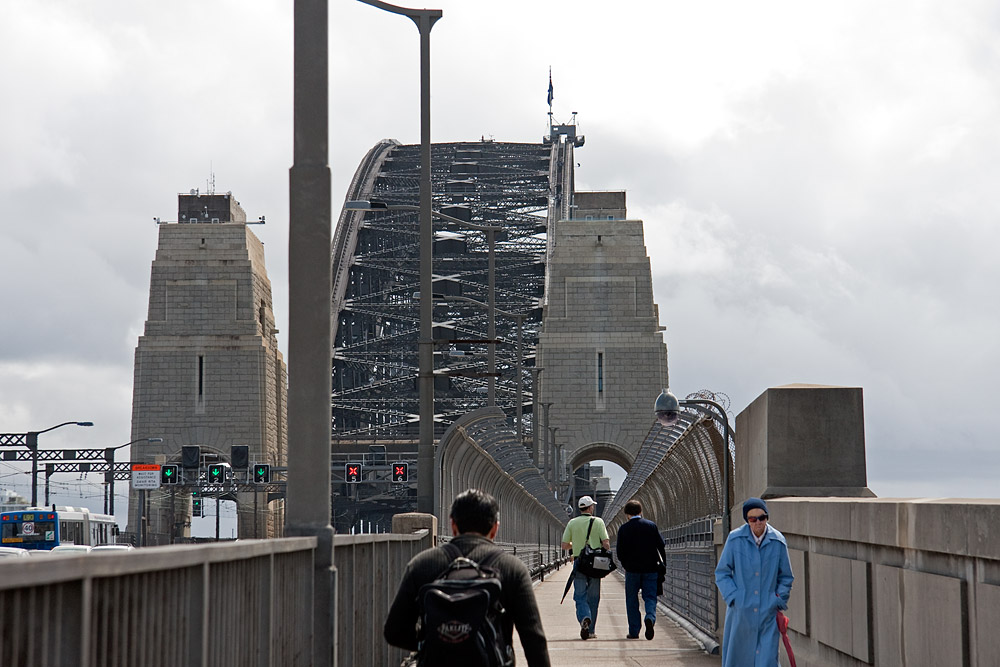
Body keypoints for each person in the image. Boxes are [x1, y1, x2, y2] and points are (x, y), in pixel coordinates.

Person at [384, 488, 550, 666]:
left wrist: (431, 639)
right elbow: (533, 639)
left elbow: (394, 631)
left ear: (453, 525)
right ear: (495, 528)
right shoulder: (512, 568)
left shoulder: (423, 564)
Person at [714, 497, 794, 667]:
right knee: (739, 659)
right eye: (753, 519)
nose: (758, 522)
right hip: (740, 614)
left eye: (762, 518)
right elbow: (722, 573)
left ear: (767, 517)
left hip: (768, 613)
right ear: (747, 520)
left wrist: (778, 599)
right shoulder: (735, 539)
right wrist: (734, 598)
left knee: (767, 660)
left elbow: (786, 576)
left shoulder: (778, 541)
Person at [560, 495, 611, 640]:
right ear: (590, 508)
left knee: (580, 596)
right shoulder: (598, 522)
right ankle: (591, 630)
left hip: (579, 562)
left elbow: (564, 545)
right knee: (594, 597)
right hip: (596, 563)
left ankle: (584, 617)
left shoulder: (572, 523)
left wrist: (575, 545)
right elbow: (606, 543)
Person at [615, 499, 666, 640]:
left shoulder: (624, 529)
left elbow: (619, 552)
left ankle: (634, 631)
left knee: (631, 600)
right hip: (651, 568)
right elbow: (661, 546)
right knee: (650, 597)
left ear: (627, 514)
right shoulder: (651, 526)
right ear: (640, 511)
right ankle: (650, 617)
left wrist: (626, 564)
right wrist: (663, 565)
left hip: (632, 570)